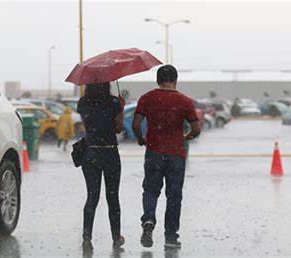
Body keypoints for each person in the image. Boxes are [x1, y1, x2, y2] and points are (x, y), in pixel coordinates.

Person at [132, 65, 201, 249]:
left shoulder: (147, 98)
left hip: (154, 152)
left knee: (151, 190)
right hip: (176, 155)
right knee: (174, 196)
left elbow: (136, 124)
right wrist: (186, 137)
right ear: (175, 80)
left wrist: (141, 139)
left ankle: (148, 220)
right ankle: (171, 237)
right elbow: (196, 129)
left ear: (157, 80)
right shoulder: (184, 101)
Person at [76, 82, 125, 251]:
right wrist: (121, 108)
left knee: (92, 196)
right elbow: (118, 129)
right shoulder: (114, 102)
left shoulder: (83, 103)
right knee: (113, 197)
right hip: (110, 152)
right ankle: (116, 237)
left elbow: (87, 126)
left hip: (90, 153)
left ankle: (87, 236)